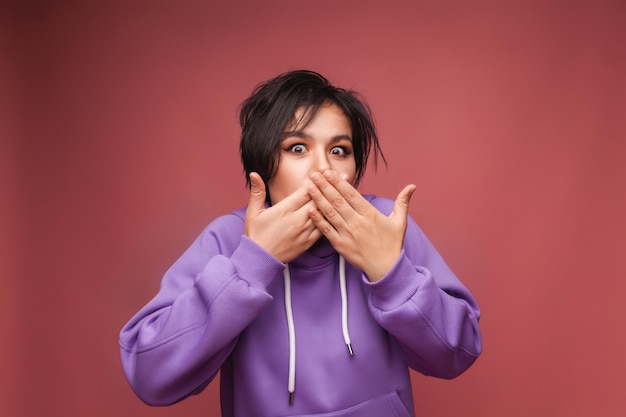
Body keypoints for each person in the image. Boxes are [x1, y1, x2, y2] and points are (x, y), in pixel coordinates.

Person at [119, 70, 482, 417]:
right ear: (262, 164)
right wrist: (252, 265)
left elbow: (458, 352)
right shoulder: (229, 240)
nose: (322, 169)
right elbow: (150, 377)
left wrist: (390, 271)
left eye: (339, 150)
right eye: (296, 148)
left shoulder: (384, 226)